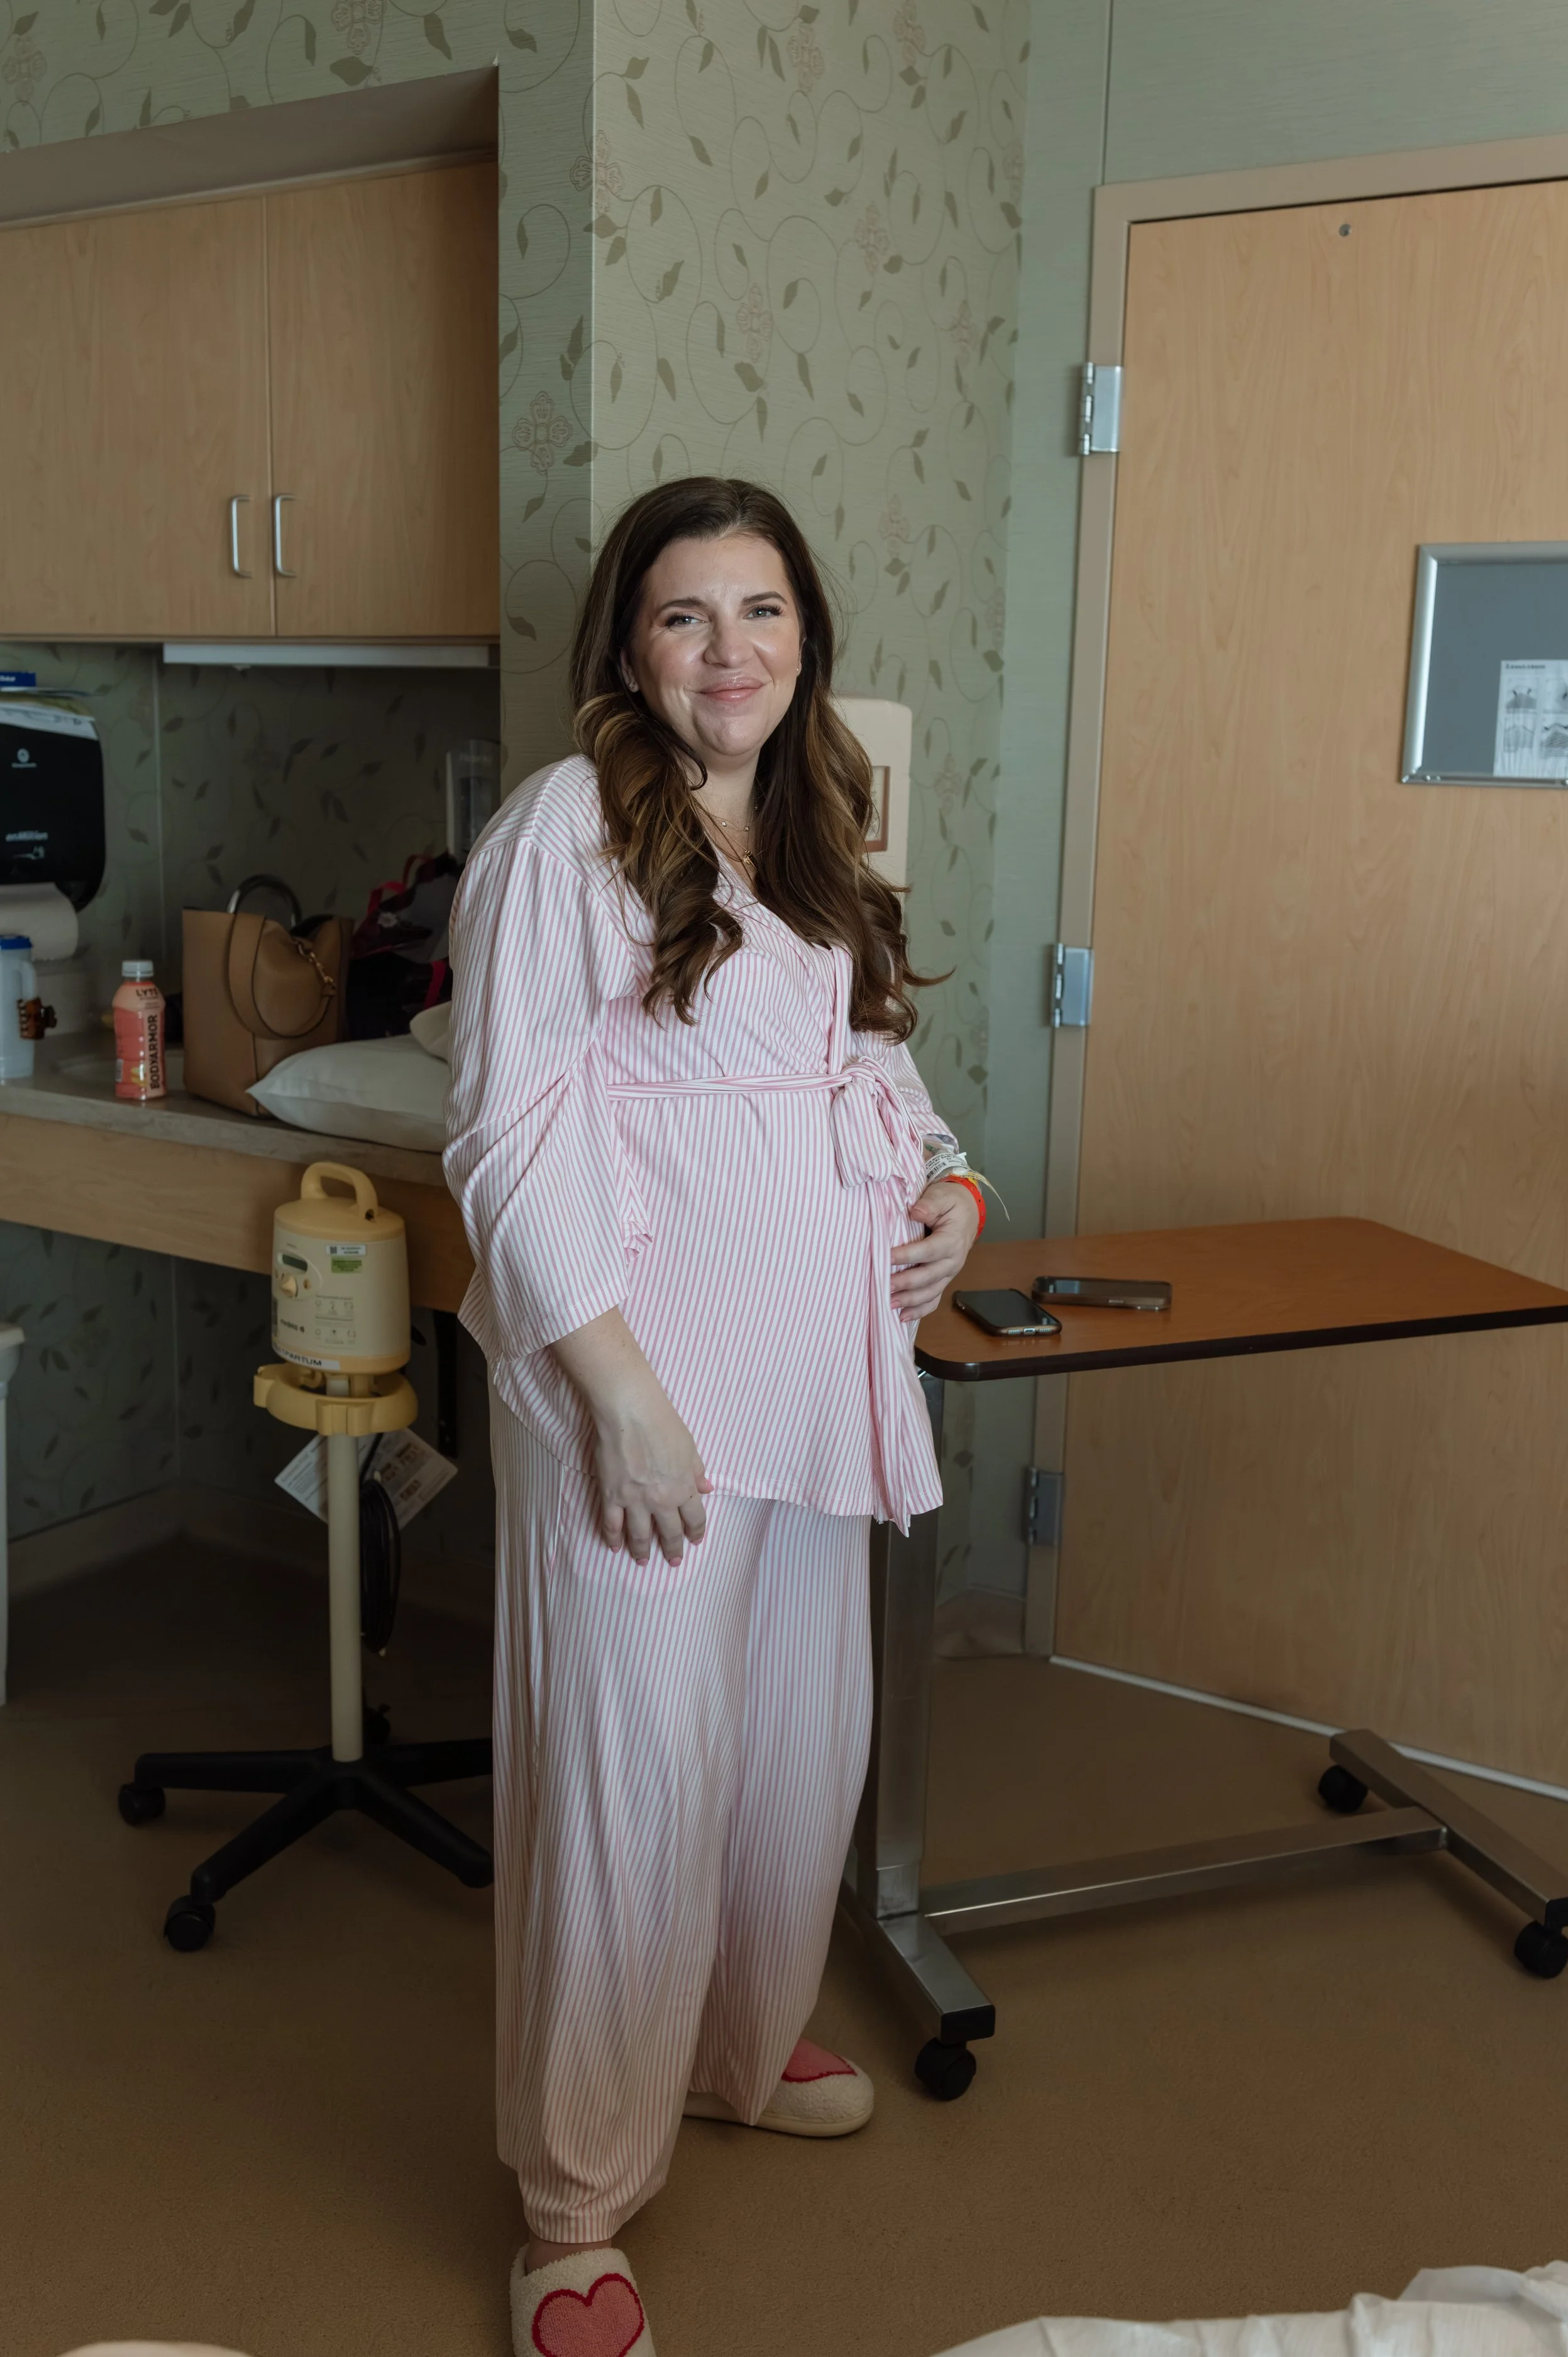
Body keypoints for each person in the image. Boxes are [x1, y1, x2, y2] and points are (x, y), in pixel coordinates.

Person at [444, 476, 985, 2355]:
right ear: (626, 644)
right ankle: (569, 2207)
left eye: (761, 611)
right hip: (648, 1399)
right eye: (686, 616)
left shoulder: (821, 826)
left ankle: (727, 2049)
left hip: (813, 1386)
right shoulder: (562, 836)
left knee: (782, 1756)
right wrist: (617, 1396)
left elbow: (873, 1069)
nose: (729, 651)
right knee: (626, 1782)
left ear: (803, 635)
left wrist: (950, 1197)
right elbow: (506, 1143)